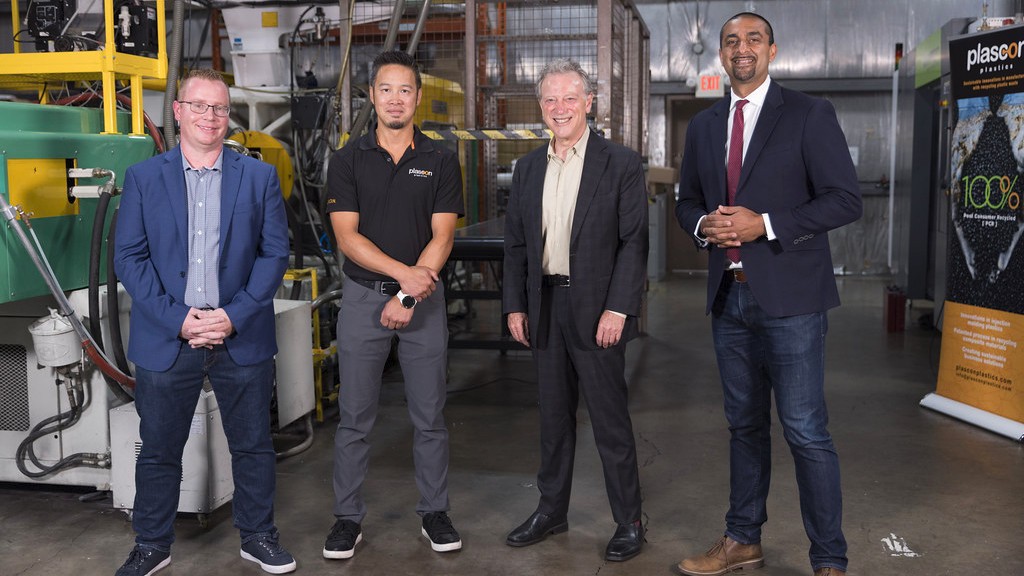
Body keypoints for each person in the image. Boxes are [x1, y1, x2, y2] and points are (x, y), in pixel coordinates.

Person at [674, 12, 862, 576]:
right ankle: (742, 539)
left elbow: (844, 199)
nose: (741, 49)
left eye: (753, 39)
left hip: (792, 299)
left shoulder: (808, 114)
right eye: (731, 41)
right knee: (744, 425)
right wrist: (705, 224)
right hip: (728, 299)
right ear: (721, 55)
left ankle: (829, 559)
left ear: (772, 51)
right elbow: (686, 202)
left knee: (805, 429)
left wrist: (768, 225)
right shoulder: (705, 126)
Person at [113, 69, 295, 575]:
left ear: (227, 115)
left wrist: (232, 317)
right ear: (177, 111)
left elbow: (274, 253)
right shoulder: (144, 178)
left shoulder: (257, 177)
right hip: (168, 338)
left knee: (254, 445)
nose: (209, 117)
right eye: (198, 106)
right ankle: (152, 544)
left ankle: (258, 536)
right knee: (159, 450)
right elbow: (129, 258)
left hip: (240, 336)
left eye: (218, 108)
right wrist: (181, 320)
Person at [502, 57, 649, 562]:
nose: (559, 108)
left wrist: (619, 309)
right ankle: (551, 510)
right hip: (544, 305)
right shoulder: (526, 168)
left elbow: (633, 243)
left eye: (570, 98)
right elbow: (516, 246)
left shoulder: (621, 164)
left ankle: (629, 521)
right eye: (550, 99)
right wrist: (514, 306)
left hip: (597, 309)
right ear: (540, 107)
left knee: (609, 421)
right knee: (553, 418)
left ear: (590, 103)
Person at [322, 50, 465, 559]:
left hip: (421, 306)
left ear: (418, 98)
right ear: (372, 96)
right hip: (363, 301)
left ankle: (434, 512)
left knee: (429, 416)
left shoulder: (440, 159)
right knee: (355, 418)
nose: (396, 99)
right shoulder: (347, 160)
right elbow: (347, 238)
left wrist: (408, 294)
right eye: (386, 89)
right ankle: (347, 519)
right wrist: (403, 276)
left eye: (405, 90)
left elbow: (442, 238)